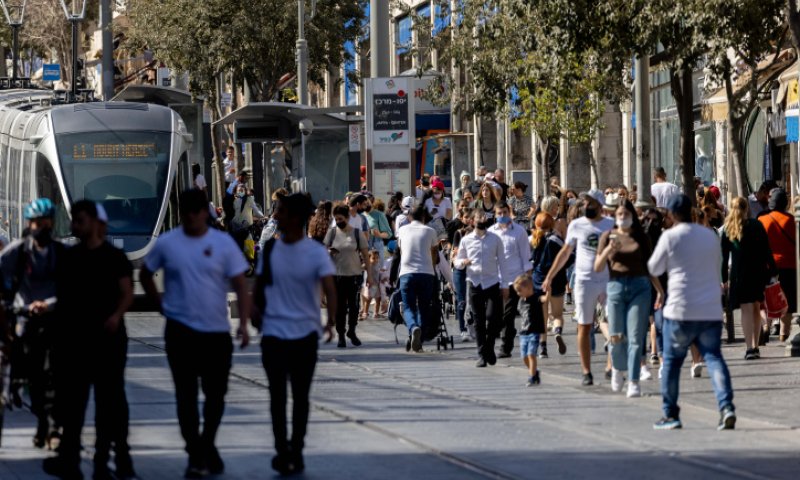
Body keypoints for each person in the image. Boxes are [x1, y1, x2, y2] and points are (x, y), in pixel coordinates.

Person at [140, 189, 251, 477]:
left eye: (195, 211)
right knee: (186, 396)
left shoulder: (222, 243)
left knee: (216, 395)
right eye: (185, 211)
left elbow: (240, 280)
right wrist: (159, 303)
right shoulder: (167, 243)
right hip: (180, 332)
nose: (190, 217)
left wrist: (243, 322)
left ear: (205, 212)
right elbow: (145, 273)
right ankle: (195, 450)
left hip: (215, 332)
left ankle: (206, 444)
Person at [44, 201, 136, 480]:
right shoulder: (68, 257)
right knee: (73, 405)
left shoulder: (114, 257)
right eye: (74, 221)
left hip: (108, 343)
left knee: (110, 404)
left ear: (96, 223)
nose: (75, 226)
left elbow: (127, 292)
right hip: (75, 344)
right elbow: (61, 300)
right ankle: (70, 460)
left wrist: (116, 316)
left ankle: (103, 459)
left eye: (80, 221)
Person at [252, 193, 337, 476]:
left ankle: (296, 449)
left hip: (304, 336)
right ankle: (282, 450)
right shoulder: (272, 251)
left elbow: (329, 287)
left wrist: (331, 321)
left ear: (296, 218)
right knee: (278, 397)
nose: (276, 216)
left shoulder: (315, 252)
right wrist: (254, 314)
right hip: (274, 334)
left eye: (282, 212)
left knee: (300, 397)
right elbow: (261, 285)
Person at [648, 194, 736, 430]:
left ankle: (670, 414)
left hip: (680, 309)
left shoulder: (670, 237)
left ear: (673, 215)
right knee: (714, 358)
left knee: (672, 362)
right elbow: (717, 263)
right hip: (709, 309)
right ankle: (726, 406)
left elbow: (653, 267)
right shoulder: (709, 236)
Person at [0, 199, 63, 451]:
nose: (42, 228)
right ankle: (38, 417)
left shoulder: (62, 254)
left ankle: (53, 427)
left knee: (54, 377)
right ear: (30, 223)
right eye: (38, 223)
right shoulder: (17, 251)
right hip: (23, 320)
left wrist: (50, 304)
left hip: (53, 320)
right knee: (32, 380)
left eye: (47, 223)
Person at [594, 199, 664, 398]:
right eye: (620, 215)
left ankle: (633, 381)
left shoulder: (641, 237)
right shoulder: (607, 236)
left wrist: (659, 290)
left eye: (626, 214)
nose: (623, 217)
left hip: (640, 287)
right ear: (615, 217)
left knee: (635, 336)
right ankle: (617, 368)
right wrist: (609, 250)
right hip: (615, 286)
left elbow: (649, 266)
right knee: (616, 335)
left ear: (632, 217)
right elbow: (598, 266)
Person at [543, 190, 614, 386]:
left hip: (606, 279)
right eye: (586, 203)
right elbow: (566, 252)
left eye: (591, 203)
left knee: (615, 323)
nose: (587, 207)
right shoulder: (576, 225)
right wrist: (550, 276)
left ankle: (610, 365)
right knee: (584, 325)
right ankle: (586, 371)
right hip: (584, 280)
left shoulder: (610, 224)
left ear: (600, 206)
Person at [721, 197, 776, 360]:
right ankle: (756, 345)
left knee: (746, 310)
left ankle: (749, 347)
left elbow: (723, 257)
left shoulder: (728, 229)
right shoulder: (757, 225)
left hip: (739, 274)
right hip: (757, 272)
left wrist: (724, 278)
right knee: (756, 308)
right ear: (747, 209)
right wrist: (772, 269)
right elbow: (767, 249)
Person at [455, 210, 511, 367]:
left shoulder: (495, 239)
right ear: (472, 221)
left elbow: (503, 262)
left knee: (494, 318)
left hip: (492, 282)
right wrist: (463, 262)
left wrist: (505, 284)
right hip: (474, 282)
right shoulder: (466, 240)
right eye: (479, 217)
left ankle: (489, 347)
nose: (482, 219)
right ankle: (482, 354)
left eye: (484, 216)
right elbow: (457, 261)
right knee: (478, 321)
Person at [325, 205, 372, 348]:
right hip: (336, 275)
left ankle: (351, 330)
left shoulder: (357, 234)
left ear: (347, 218)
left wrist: (370, 275)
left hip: (354, 275)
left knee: (354, 306)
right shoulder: (332, 233)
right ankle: (341, 335)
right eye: (336, 219)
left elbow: (365, 255)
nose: (338, 221)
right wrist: (328, 251)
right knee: (340, 307)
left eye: (341, 218)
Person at [490, 203, 532, 358]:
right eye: (499, 212)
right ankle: (509, 331)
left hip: (514, 278)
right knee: (493, 315)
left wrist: (527, 278)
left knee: (508, 315)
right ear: (495, 214)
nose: (502, 215)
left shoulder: (519, 232)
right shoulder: (491, 233)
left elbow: (525, 256)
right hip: (496, 279)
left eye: (505, 212)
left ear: (510, 212)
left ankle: (505, 347)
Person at [397, 205, 439, 352]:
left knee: (408, 307)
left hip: (407, 272)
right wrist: (432, 268)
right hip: (426, 273)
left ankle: (413, 327)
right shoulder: (431, 231)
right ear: (423, 218)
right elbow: (434, 252)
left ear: (409, 218)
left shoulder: (402, 230)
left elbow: (401, 250)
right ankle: (418, 340)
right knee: (424, 307)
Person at [759, 188, 796, 342]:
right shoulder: (791, 220)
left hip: (767, 266)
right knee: (788, 299)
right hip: (789, 264)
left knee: (767, 297)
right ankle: (783, 332)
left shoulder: (762, 220)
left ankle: (766, 325)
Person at [530, 213, 568, 357]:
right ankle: (557, 331)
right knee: (557, 314)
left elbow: (532, 260)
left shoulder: (534, 238)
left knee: (542, 317)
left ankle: (543, 348)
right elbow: (568, 257)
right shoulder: (556, 240)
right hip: (556, 280)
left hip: (539, 280)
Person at [513, 275, 545, 386]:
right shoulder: (521, 301)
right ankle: (535, 372)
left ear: (528, 288)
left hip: (534, 332)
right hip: (523, 333)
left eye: (519, 291)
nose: (518, 294)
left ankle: (531, 377)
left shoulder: (536, 297)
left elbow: (544, 299)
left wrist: (549, 292)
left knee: (531, 354)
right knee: (524, 357)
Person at [451, 208, 474, 341]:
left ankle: (472, 325)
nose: (469, 220)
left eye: (470, 218)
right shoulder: (459, 233)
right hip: (460, 269)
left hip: (472, 269)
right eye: (466, 217)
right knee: (462, 300)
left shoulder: (478, 233)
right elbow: (455, 252)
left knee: (473, 300)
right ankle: (463, 329)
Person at [230, 183, 265, 251]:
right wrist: (263, 216)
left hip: (235, 229)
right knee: (249, 251)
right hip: (246, 229)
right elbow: (257, 212)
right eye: (240, 190)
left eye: (241, 190)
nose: (240, 192)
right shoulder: (249, 199)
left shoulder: (233, 201)